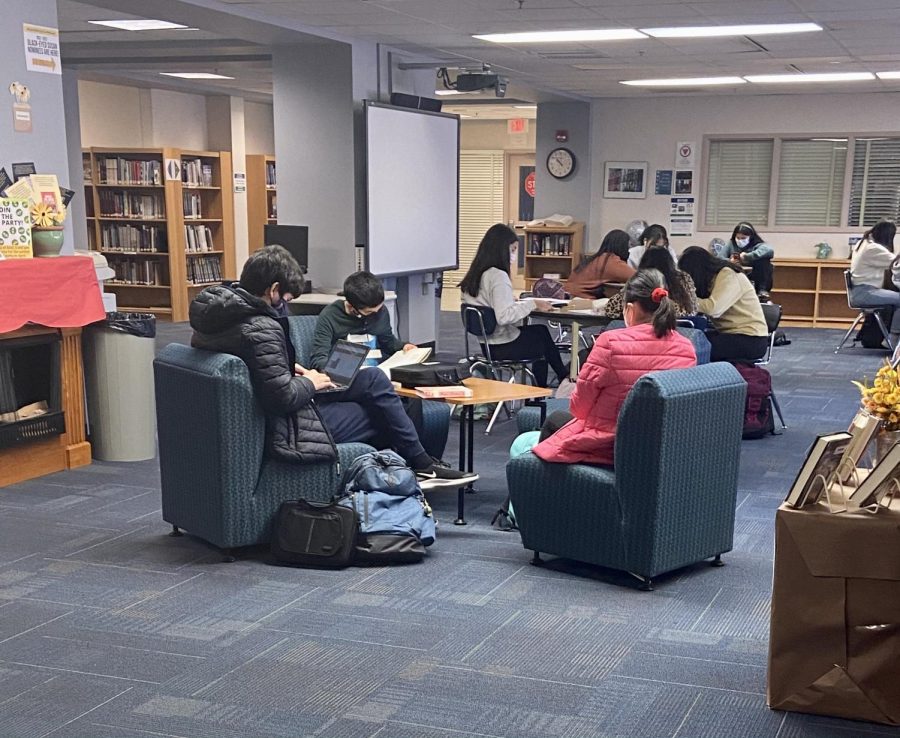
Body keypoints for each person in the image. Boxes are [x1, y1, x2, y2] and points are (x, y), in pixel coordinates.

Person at [189, 245, 477, 487]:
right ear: (274, 290)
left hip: (271, 412)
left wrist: (294, 370)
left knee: (376, 382)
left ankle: (413, 468)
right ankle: (416, 467)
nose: (285, 307)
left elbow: (262, 370)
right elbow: (281, 397)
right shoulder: (260, 328)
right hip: (284, 426)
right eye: (287, 299)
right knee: (384, 410)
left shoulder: (222, 319)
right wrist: (312, 382)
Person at [527, 269, 697, 467]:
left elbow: (579, 408)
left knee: (554, 422)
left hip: (609, 446)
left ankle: (538, 487)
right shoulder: (686, 348)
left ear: (630, 309)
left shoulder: (610, 342)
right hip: (659, 448)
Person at [460, 223, 568, 387]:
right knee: (542, 340)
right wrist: (533, 303)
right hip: (502, 346)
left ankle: (557, 381)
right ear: (502, 250)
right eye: (513, 250)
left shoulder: (475, 274)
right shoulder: (498, 276)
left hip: (486, 344)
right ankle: (554, 384)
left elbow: (489, 304)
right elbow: (504, 317)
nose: (514, 256)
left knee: (539, 332)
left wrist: (513, 302)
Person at [310, 270, 416, 371]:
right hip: (347, 373)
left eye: (379, 309)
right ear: (352, 307)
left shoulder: (380, 311)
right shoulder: (330, 316)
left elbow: (388, 342)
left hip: (379, 369)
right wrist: (336, 371)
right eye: (369, 312)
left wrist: (404, 346)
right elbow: (319, 358)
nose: (377, 313)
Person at [678, 246, 769, 362]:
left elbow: (714, 309)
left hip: (750, 339)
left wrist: (683, 301)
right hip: (730, 334)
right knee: (687, 340)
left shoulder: (728, 275)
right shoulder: (713, 278)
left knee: (693, 347)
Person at [605, 245, 697, 319]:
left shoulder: (640, 280)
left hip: (639, 335)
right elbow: (692, 310)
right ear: (670, 263)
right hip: (680, 331)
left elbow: (611, 309)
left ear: (644, 264)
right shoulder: (683, 278)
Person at [850, 219, 900, 345]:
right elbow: (896, 263)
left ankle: (889, 337)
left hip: (861, 290)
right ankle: (893, 339)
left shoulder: (864, 243)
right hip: (866, 292)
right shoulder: (873, 249)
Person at [565, 228, 635, 299]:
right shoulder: (610, 261)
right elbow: (639, 278)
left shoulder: (594, 259)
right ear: (623, 247)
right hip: (582, 301)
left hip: (568, 298)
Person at [721, 222, 775, 298]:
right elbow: (719, 258)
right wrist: (729, 261)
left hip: (755, 275)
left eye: (743, 238)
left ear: (751, 237)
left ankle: (762, 290)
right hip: (736, 273)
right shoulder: (731, 244)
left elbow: (769, 251)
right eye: (738, 238)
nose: (740, 240)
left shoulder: (757, 244)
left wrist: (747, 256)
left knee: (764, 261)